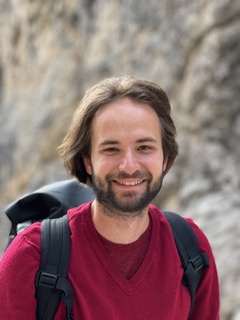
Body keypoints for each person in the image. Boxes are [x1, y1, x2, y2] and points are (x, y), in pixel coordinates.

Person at [0, 76, 219, 319]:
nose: (128, 166)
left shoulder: (191, 249)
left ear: (165, 158)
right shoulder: (30, 257)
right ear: (88, 161)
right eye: (111, 149)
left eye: (144, 147)